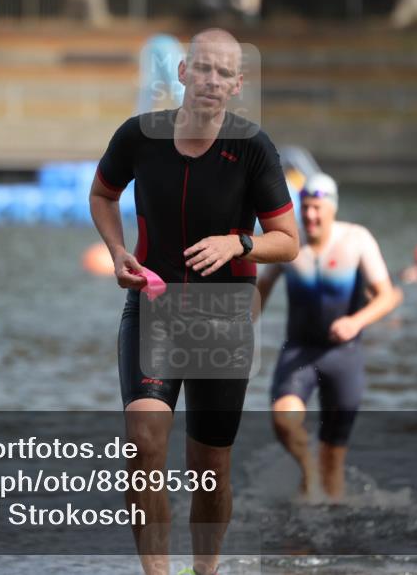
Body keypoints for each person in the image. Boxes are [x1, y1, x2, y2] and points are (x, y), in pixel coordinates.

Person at [90, 28, 299, 575]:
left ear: (237, 84)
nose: (210, 80)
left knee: (209, 467)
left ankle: (204, 570)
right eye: (201, 68)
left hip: (223, 319)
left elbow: (289, 241)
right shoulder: (139, 137)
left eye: (223, 73)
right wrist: (117, 253)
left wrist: (240, 242)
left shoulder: (252, 148)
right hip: (153, 307)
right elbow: (102, 194)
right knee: (143, 444)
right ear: (182, 73)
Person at [257, 173, 401, 501]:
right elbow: (262, 288)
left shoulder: (356, 240)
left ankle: (328, 534)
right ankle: (307, 470)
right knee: (283, 419)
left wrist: (356, 321)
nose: (310, 216)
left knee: (333, 465)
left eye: (317, 208)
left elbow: (386, 295)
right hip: (300, 353)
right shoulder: (288, 243)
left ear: (332, 209)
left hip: (344, 355)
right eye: (305, 208)